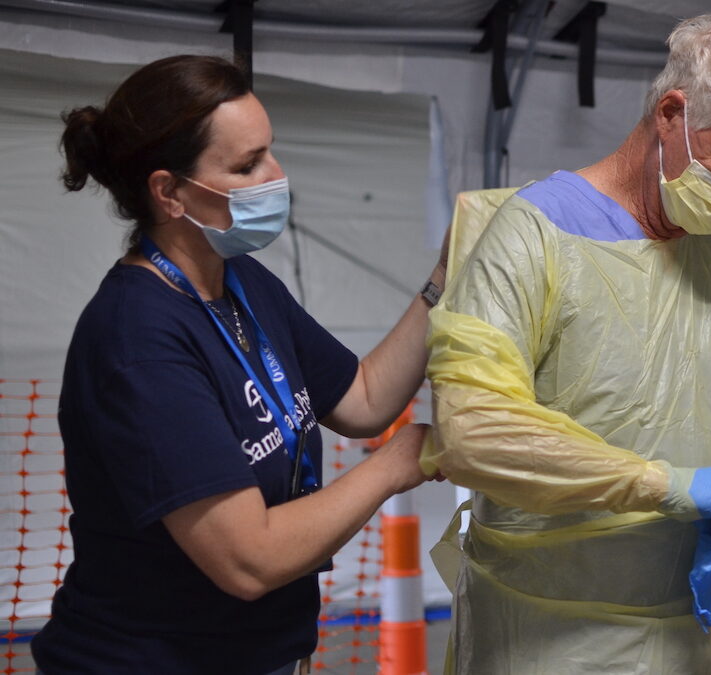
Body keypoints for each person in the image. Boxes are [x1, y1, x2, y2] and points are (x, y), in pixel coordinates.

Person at [421, 13, 711, 674]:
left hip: (690, 638)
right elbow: (475, 427)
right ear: (671, 112)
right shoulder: (535, 235)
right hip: (542, 635)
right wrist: (660, 483)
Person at [30, 55, 445, 675]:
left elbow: (361, 398)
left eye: (269, 152)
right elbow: (249, 559)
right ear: (169, 192)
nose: (277, 177)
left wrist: (444, 277)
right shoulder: (138, 338)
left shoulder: (242, 282)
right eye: (247, 165)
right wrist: (397, 462)